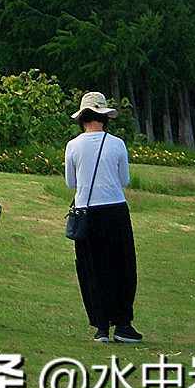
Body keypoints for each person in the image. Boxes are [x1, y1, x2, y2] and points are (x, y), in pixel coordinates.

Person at [66, 91, 141, 343]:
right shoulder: (117, 144)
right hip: (115, 210)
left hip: (86, 211)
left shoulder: (73, 145)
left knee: (91, 268)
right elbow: (124, 180)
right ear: (105, 117)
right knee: (121, 267)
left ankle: (100, 326)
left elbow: (70, 182)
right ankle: (122, 324)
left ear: (82, 118)